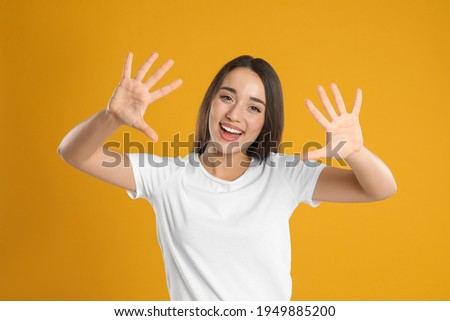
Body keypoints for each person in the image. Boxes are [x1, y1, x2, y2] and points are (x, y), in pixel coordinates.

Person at [58, 52, 397, 300]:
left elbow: (379, 188)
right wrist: (111, 117)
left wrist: (354, 151)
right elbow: (74, 153)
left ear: (267, 119)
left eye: (254, 107)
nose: (235, 114)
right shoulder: (166, 176)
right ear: (210, 102)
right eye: (227, 97)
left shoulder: (284, 175)